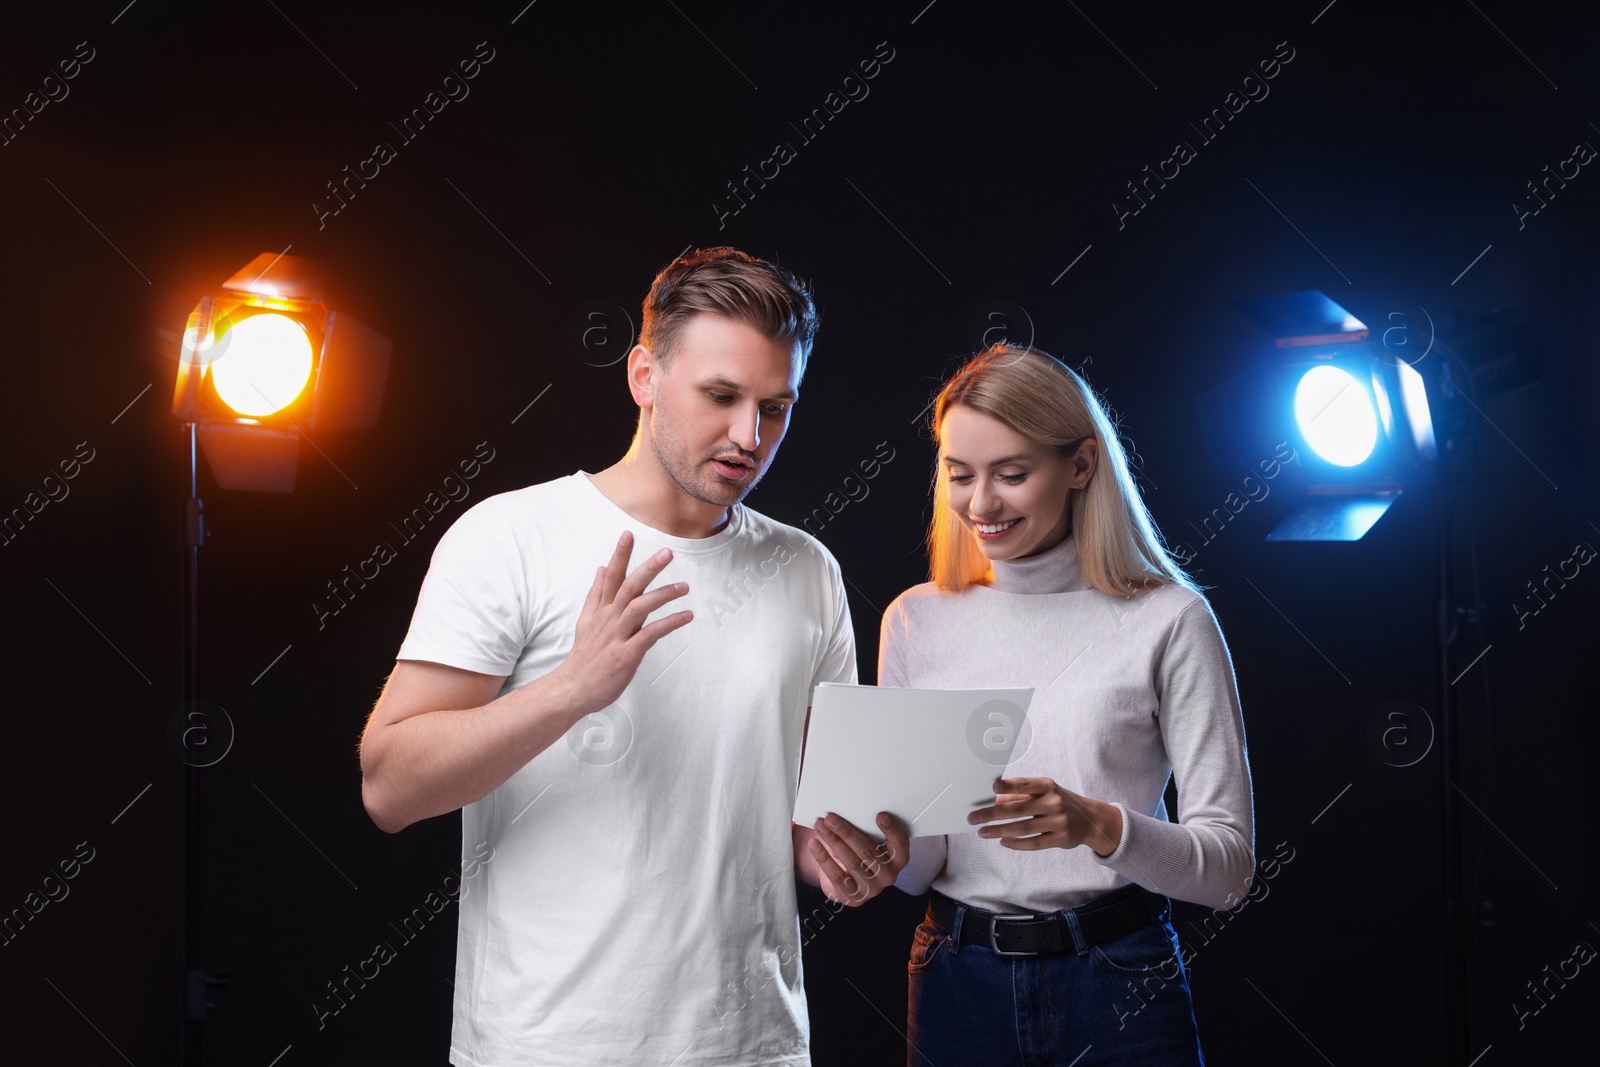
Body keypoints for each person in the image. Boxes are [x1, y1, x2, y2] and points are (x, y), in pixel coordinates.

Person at [357, 247, 909, 1067]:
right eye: (720, 396)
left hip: (751, 1043)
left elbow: (798, 823)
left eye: (776, 407)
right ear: (644, 375)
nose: (748, 436)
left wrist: (860, 854)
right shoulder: (511, 536)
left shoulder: (806, 569)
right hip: (550, 1043)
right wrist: (570, 690)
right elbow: (390, 786)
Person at [882, 344, 1254, 1066]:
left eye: (1011, 474)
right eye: (960, 475)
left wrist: (1096, 823)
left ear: (1081, 465)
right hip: (956, 977)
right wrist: (880, 848)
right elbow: (921, 865)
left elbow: (1230, 869)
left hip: (1120, 977)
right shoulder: (914, 619)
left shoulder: (1170, 620)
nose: (980, 504)